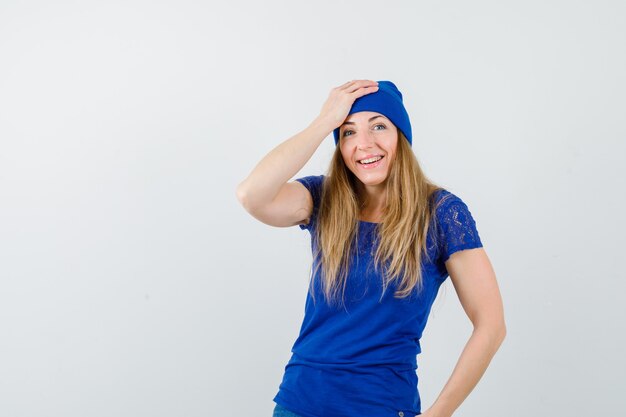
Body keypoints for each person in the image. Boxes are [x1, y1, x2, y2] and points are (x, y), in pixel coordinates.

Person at [236, 80, 506, 417]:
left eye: (378, 126)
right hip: (299, 402)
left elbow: (491, 324)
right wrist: (324, 122)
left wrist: (441, 412)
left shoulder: (441, 213)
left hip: (380, 405)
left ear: (401, 136)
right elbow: (252, 195)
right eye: (348, 132)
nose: (364, 144)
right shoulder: (324, 198)